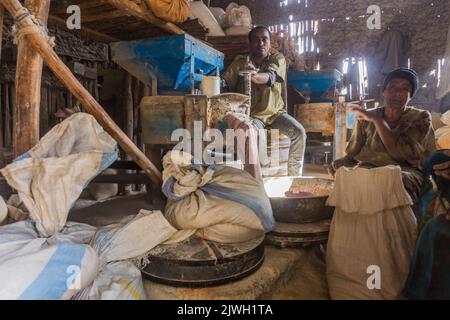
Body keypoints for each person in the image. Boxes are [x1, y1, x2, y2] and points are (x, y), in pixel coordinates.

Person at [329, 68, 437, 205]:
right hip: (370, 168)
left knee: (389, 182)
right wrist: (340, 164)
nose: (397, 92)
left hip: (406, 171)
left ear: (410, 95)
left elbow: (400, 155)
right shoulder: (367, 116)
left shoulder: (420, 118)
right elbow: (352, 154)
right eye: (392, 86)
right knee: (349, 178)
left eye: (405, 88)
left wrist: (378, 121)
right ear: (384, 92)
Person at [222, 26, 306, 176]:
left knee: (299, 133)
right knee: (253, 135)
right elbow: (225, 82)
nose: (260, 43)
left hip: (275, 114)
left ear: (269, 43)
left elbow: (270, 77)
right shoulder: (240, 63)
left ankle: (293, 175)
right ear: (250, 44)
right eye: (256, 40)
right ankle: (257, 177)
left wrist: (253, 75)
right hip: (253, 116)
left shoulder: (277, 59)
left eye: (264, 39)